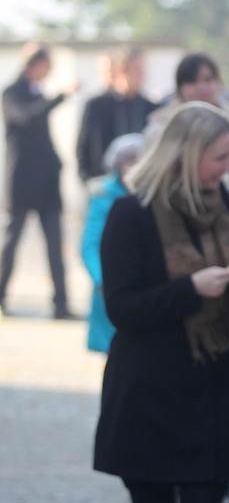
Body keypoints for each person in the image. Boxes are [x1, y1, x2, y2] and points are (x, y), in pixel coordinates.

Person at [92, 102, 229, 503]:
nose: (228, 167)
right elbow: (121, 308)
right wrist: (189, 290)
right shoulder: (130, 213)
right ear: (187, 153)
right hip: (148, 396)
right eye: (220, 156)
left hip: (211, 392)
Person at [145, 53, 229, 246]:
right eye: (192, 81)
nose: (202, 87)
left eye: (208, 79)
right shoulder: (159, 132)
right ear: (179, 88)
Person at [0, 43, 74, 319]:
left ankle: (62, 304)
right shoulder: (12, 93)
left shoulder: (38, 93)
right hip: (21, 184)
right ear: (35, 64)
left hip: (47, 185)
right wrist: (58, 98)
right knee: (12, 244)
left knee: (56, 246)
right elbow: (27, 117)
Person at [81, 132, 144, 353]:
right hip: (108, 287)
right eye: (129, 161)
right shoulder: (103, 194)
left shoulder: (150, 193)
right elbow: (89, 243)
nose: (133, 166)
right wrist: (103, 278)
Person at [76, 47, 156, 185]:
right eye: (137, 70)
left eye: (142, 70)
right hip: (105, 185)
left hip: (141, 184)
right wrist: (87, 179)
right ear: (121, 71)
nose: (142, 75)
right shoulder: (96, 105)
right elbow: (83, 145)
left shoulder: (150, 107)